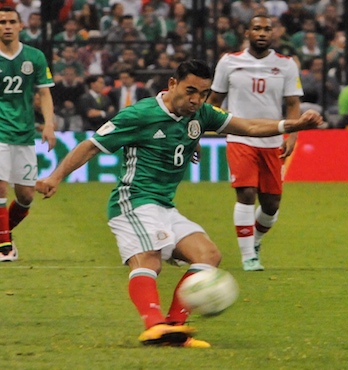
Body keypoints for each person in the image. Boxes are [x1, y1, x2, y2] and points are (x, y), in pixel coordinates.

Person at [35, 60, 322, 347]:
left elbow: (248, 125)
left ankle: (175, 327)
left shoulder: (201, 115)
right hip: (132, 201)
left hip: (164, 206)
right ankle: (154, 325)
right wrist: (55, 177)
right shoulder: (140, 114)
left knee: (209, 256)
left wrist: (294, 124)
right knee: (150, 259)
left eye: (204, 93)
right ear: (172, 84)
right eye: (190, 91)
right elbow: (91, 145)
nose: (196, 99)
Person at [207, 15, 304, 272]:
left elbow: (293, 104)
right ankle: (248, 256)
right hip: (239, 137)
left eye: (267, 29)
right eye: (257, 28)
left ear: (274, 34)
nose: (262, 33)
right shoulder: (229, 62)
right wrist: (197, 131)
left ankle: (256, 241)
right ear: (247, 32)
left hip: (272, 141)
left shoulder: (286, 65)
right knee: (246, 193)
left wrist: (292, 136)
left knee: (271, 206)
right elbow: (214, 100)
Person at [0, 7, 56, 261]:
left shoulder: (34, 57)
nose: (7, 26)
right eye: (2, 22)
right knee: (0, 188)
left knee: (25, 196)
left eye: (12, 21)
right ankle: (4, 247)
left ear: (21, 26)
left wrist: (49, 124)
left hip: (23, 134)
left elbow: (44, 93)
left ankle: (2, 232)